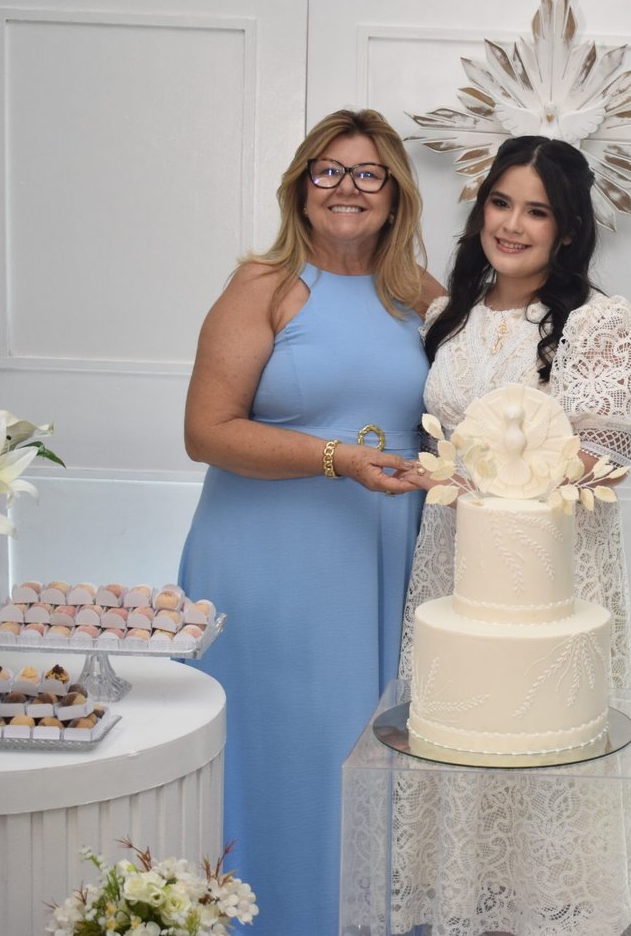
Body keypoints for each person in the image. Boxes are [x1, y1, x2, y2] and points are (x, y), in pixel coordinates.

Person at [392, 135, 631, 935]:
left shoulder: (599, 322)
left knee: (542, 744)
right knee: (461, 738)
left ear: (569, 228)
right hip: (452, 564)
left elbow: (605, 457)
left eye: (536, 212)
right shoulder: (452, 314)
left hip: (551, 567)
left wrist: (485, 485)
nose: (511, 224)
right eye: (501, 203)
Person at [178, 108, 443, 932]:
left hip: (379, 555)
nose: (345, 188)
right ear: (300, 187)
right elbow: (206, 430)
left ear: (395, 194)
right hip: (265, 559)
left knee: (362, 754)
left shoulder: (423, 297)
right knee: (278, 751)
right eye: (327, 171)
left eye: (367, 173)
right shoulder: (263, 286)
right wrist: (337, 458)